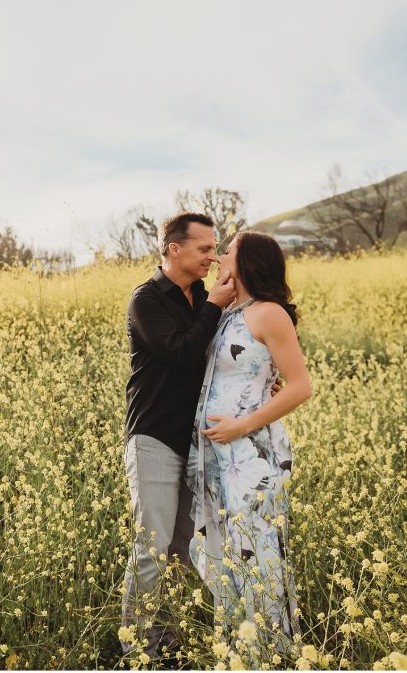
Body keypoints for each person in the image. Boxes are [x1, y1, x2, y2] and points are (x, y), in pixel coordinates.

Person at [187, 230, 312, 651]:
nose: (220, 256)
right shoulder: (228, 312)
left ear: (249, 263)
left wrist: (243, 426)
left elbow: (300, 386)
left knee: (256, 551)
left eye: (229, 251)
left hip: (250, 454)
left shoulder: (269, 313)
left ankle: (270, 650)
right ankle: (241, 648)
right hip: (216, 454)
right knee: (226, 555)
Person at [121, 212, 236, 660]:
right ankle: (135, 651)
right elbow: (184, 354)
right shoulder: (146, 299)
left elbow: (218, 360)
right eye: (205, 248)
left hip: (196, 441)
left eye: (214, 248)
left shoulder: (203, 298)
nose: (212, 255)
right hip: (154, 436)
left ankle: (164, 641)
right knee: (151, 546)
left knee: (180, 550)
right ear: (175, 249)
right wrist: (215, 308)